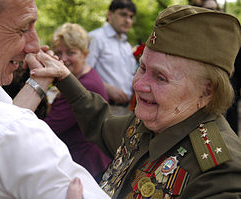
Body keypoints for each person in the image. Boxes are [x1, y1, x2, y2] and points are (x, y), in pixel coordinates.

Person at [25, 5, 241, 199]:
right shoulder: (153, 122)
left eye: (160, 77)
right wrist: (65, 77)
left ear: (206, 91)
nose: (138, 85)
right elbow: (101, 122)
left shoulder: (220, 170)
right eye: (142, 68)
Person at [0, 1, 110, 199]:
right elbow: (7, 131)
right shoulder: (14, 133)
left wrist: (39, 80)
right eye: (22, 29)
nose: (35, 46)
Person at [43, 23, 112, 182]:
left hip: (86, 166)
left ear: (85, 54)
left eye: (71, 52)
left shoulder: (84, 85)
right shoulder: (86, 76)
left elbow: (50, 127)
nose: (64, 59)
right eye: (59, 52)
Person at [86, 0, 137, 115]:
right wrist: (105, 88)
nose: (128, 20)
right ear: (109, 15)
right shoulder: (95, 38)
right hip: (103, 108)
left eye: (131, 16)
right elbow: (82, 73)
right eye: (123, 14)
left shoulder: (126, 45)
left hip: (127, 110)